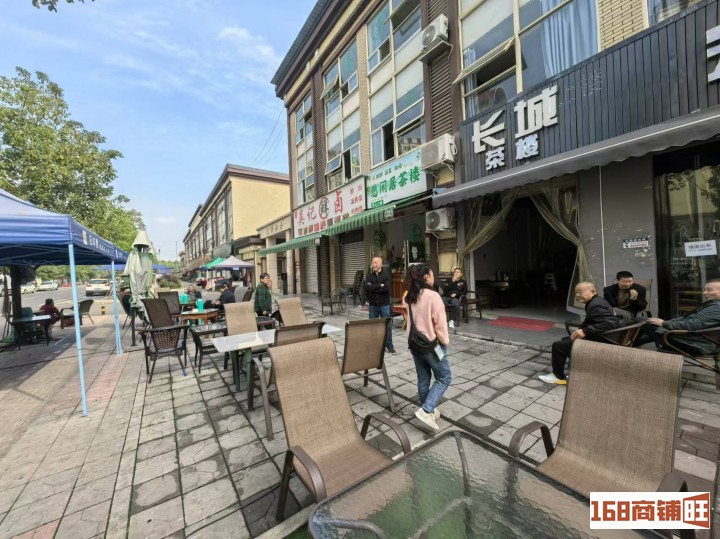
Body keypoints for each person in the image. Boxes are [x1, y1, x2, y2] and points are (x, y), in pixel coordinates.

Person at [540, 282, 619, 385]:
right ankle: (576, 371)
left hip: (603, 339)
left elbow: (611, 323)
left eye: (581, 292)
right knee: (566, 341)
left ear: (593, 291)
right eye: (576, 293)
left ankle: (558, 376)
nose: (577, 295)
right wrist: (582, 330)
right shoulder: (595, 301)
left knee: (558, 345)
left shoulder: (596, 304)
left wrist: (584, 331)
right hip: (602, 335)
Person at [405, 264, 451, 431]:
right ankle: (426, 410)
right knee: (444, 377)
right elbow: (441, 324)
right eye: (432, 275)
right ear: (426, 277)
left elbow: (409, 321)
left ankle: (427, 410)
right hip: (432, 345)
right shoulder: (433, 296)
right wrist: (444, 342)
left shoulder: (409, 296)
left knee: (423, 379)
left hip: (414, 343)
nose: (434, 278)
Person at [634, 280, 720, 355]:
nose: (704, 293)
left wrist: (663, 323)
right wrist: (664, 322)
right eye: (704, 290)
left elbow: (692, 324)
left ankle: (631, 345)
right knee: (647, 322)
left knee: (644, 322)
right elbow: (686, 319)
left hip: (697, 344)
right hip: (696, 341)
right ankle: (632, 345)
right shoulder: (713, 305)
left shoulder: (716, 307)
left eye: (709, 290)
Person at [364, 256, 395, 354]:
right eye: (373, 263)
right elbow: (367, 288)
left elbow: (386, 289)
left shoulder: (386, 275)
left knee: (387, 326)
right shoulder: (369, 276)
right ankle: (375, 346)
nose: (374, 265)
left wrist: (373, 288)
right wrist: (379, 285)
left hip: (384, 304)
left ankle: (389, 346)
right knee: (373, 326)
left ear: (381, 264)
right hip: (373, 305)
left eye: (376, 263)